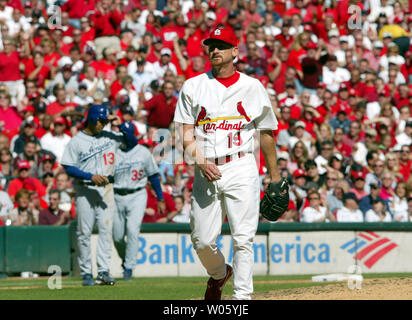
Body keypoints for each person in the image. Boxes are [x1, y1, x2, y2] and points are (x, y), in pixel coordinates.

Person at [173, 27, 282, 300]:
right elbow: (184, 132)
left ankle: (242, 298)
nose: (215, 50)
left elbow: (266, 133)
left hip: (241, 165)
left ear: (235, 51)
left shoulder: (252, 87)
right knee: (202, 241)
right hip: (206, 168)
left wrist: (275, 176)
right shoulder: (194, 86)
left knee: (243, 238)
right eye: (212, 45)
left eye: (222, 45)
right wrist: (199, 161)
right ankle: (220, 274)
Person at [61, 104, 137, 286]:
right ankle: (87, 272)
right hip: (85, 188)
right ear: (92, 119)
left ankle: (103, 272)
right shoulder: (77, 140)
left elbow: (132, 143)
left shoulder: (110, 135)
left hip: (106, 189)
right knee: (84, 232)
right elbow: (68, 167)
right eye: (100, 120)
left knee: (105, 230)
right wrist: (89, 176)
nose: (103, 124)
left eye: (105, 121)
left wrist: (122, 125)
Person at [112, 122, 164, 281]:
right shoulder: (114, 151)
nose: (120, 135)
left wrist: (160, 198)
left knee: (133, 231)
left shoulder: (142, 152)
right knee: (117, 236)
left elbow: (153, 176)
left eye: (123, 133)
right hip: (116, 195)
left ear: (131, 134)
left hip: (137, 194)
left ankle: (129, 268)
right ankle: (125, 259)